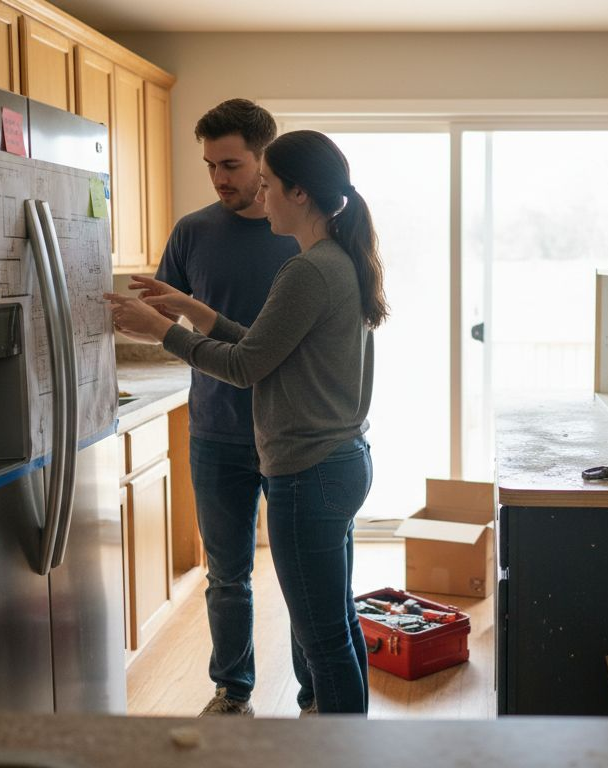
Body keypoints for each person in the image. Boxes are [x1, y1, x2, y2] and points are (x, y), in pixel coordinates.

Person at [107, 129, 386, 715]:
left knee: (323, 637)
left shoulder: (307, 270)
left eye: (268, 185)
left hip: (308, 471)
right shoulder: (336, 260)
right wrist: (190, 309)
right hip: (341, 461)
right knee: (335, 623)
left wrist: (162, 330)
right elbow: (267, 346)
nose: (262, 198)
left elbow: (243, 366)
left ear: (299, 193)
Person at [139, 99, 302, 717]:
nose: (219, 179)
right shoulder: (193, 231)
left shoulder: (303, 235)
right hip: (216, 430)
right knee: (227, 577)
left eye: (231, 164)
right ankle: (232, 693)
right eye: (210, 166)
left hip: (290, 436)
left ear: (265, 158)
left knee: (304, 582)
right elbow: (164, 313)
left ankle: (315, 697)